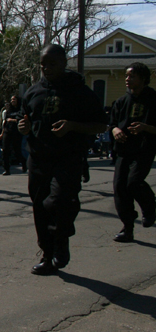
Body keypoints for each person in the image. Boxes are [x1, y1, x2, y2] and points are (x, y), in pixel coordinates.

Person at [18, 45, 107, 275]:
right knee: (40, 207)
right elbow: (25, 119)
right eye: (43, 65)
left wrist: (72, 126)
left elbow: (100, 125)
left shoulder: (80, 92)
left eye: (52, 64)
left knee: (58, 202)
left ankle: (61, 240)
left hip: (68, 158)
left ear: (64, 63)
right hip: (38, 159)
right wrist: (24, 126)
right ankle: (48, 255)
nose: (46, 69)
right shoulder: (33, 92)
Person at [109, 62, 156, 243]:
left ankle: (150, 208)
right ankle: (127, 228)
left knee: (134, 182)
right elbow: (112, 124)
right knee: (120, 189)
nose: (127, 79)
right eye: (127, 76)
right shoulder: (121, 102)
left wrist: (146, 127)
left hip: (144, 149)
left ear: (143, 78)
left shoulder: (153, 99)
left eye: (132, 76)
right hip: (124, 150)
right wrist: (115, 131)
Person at [1, 95, 27, 175]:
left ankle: (24, 163)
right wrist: (2, 133)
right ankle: (6, 169)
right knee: (5, 150)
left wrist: (13, 120)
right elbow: (5, 122)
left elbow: (21, 119)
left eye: (14, 99)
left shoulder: (20, 110)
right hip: (7, 131)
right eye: (12, 99)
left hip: (17, 132)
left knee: (17, 151)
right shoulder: (9, 110)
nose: (13, 101)